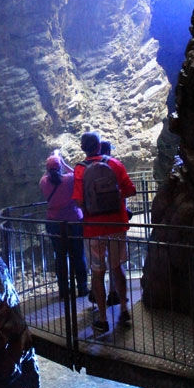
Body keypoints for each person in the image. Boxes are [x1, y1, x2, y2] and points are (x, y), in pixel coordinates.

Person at [73, 131, 136, 334]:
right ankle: (124, 309)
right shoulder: (114, 164)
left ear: (83, 148)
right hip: (116, 225)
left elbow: (78, 201)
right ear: (100, 146)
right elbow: (130, 190)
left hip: (93, 229)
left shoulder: (80, 170)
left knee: (98, 274)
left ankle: (102, 319)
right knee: (118, 268)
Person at [39, 152, 88, 299]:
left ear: (47, 169)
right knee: (78, 255)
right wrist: (63, 162)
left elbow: (48, 176)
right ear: (60, 167)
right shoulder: (69, 179)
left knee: (60, 256)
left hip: (54, 223)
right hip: (74, 222)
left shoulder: (43, 181)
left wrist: (55, 161)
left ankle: (64, 291)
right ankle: (82, 288)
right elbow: (78, 176)